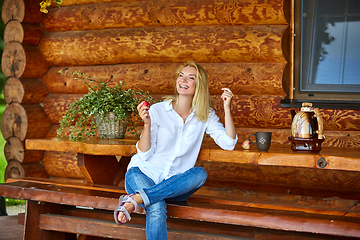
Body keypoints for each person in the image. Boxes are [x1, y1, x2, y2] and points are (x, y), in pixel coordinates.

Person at [114, 61, 237, 239]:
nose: (183, 79)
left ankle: (136, 199)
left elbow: (229, 143)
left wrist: (227, 108)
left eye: (190, 77)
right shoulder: (157, 110)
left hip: (173, 185)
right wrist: (147, 125)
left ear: (198, 85)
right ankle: (143, 197)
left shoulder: (205, 115)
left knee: (200, 174)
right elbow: (144, 153)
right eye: (181, 75)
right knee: (156, 207)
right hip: (142, 173)